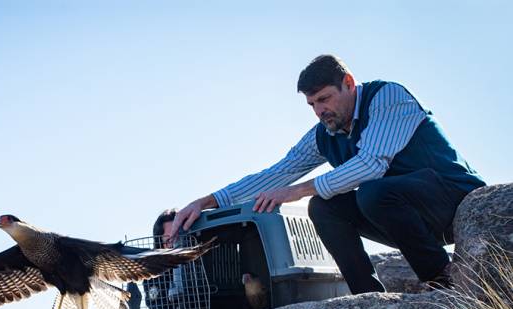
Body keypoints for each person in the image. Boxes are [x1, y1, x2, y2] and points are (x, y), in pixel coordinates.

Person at [170, 55, 486, 293]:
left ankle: (444, 286)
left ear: (348, 83)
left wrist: (298, 191)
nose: (320, 110)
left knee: (372, 191)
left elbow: (371, 164)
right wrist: (206, 201)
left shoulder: (388, 97)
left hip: (454, 200)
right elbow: (279, 172)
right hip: (405, 218)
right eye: (312, 104)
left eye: (324, 99)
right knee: (323, 207)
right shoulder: (325, 133)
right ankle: (370, 299)